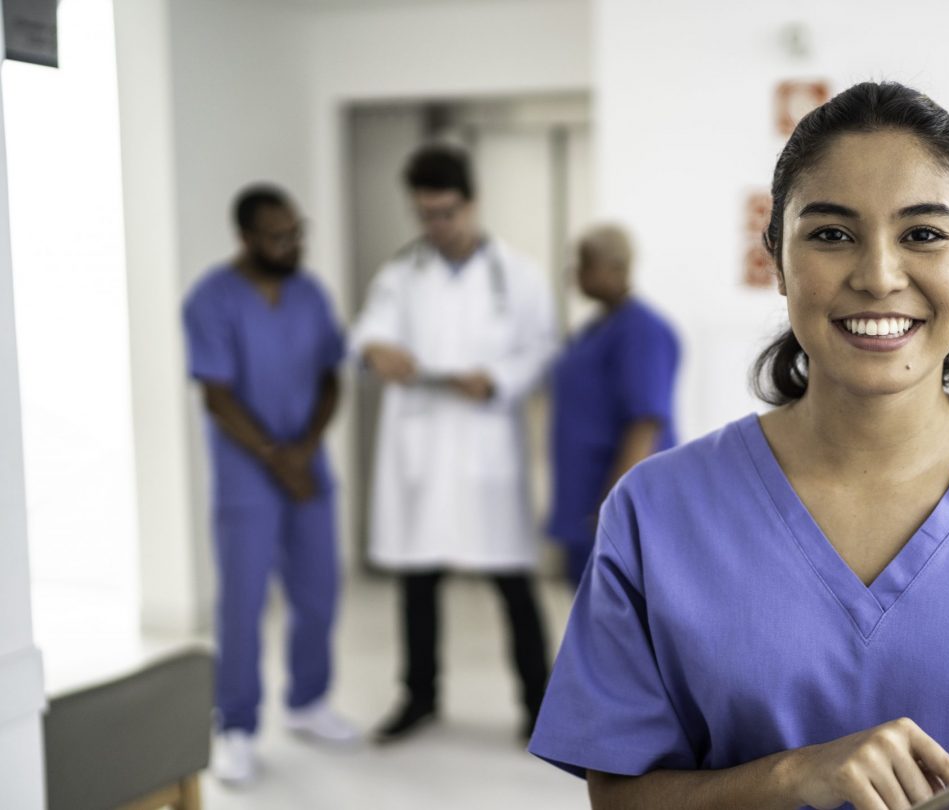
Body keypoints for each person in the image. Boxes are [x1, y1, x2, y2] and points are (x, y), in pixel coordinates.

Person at [528, 82, 949, 810]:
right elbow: (620, 798)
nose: (879, 277)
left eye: (923, 234)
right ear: (777, 260)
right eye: (832, 235)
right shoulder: (657, 509)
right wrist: (793, 776)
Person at [351, 144, 557, 743]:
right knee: (417, 581)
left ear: (472, 203)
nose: (436, 226)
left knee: (513, 583)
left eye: (446, 213)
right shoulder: (400, 275)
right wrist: (375, 351)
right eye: (425, 215)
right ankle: (419, 697)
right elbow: (367, 334)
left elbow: (543, 348)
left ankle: (540, 707)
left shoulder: (517, 274)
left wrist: (497, 380)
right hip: (422, 451)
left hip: (486, 443)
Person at [182, 185, 359, 786]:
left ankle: (308, 701)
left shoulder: (310, 294)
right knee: (243, 601)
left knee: (319, 590)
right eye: (278, 237)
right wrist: (275, 457)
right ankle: (236, 725)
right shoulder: (211, 298)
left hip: (307, 470)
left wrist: (304, 449)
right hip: (246, 477)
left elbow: (332, 375)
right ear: (246, 238)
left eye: (297, 232)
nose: (292, 245)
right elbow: (216, 395)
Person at [548, 224, 681, 587]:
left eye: (585, 263)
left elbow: (645, 423)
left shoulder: (641, 331)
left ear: (617, 267)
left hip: (614, 506)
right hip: (583, 501)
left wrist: (615, 506)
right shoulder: (595, 329)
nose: (575, 272)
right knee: (587, 609)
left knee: (620, 610)